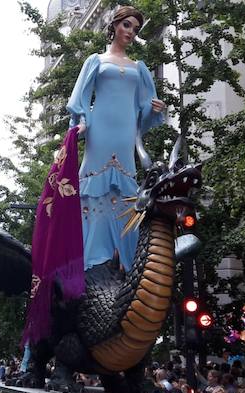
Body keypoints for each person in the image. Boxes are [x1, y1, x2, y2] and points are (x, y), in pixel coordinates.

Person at [67, 5, 165, 272]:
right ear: (114, 25)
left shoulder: (140, 68)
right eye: (127, 25)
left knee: (125, 189)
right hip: (99, 130)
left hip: (125, 134)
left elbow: (143, 111)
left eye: (135, 29)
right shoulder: (95, 61)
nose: (131, 32)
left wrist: (153, 108)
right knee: (94, 186)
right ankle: (90, 262)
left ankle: (125, 262)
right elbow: (80, 99)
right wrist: (82, 122)